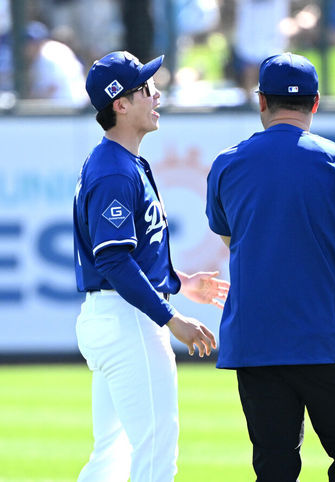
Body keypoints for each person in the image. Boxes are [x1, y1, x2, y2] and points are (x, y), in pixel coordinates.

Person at [206, 52, 335, 481]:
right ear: (315, 102)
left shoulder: (227, 164)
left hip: (257, 344)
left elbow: (232, 241)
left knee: (274, 466)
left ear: (262, 101)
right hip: (332, 343)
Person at [73, 51, 229, 481]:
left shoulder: (119, 162)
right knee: (156, 454)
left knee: (111, 457)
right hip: (128, 321)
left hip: (115, 315)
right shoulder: (113, 170)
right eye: (145, 88)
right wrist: (171, 317)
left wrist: (178, 283)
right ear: (120, 104)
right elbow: (112, 258)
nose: (156, 94)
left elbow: (127, 256)